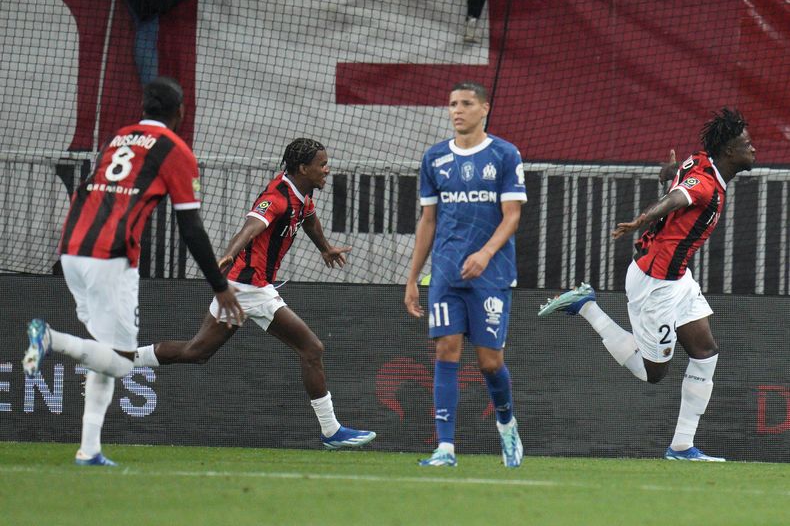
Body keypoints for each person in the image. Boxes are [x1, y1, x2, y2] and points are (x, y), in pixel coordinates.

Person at [22, 77, 244, 466]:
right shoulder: (175, 150)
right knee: (122, 361)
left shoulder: (120, 137)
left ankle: (89, 449)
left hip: (73, 246)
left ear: (144, 108)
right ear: (180, 112)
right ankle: (50, 338)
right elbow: (190, 227)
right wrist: (219, 285)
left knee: (102, 354)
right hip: (112, 256)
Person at [538, 108, 756, 462]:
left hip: (677, 277)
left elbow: (676, 179)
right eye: (747, 144)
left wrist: (667, 174)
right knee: (652, 373)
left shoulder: (700, 162)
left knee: (705, 353)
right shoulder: (705, 184)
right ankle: (586, 305)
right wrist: (645, 216)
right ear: (729, 152)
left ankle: (682, 447)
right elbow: (678, 197)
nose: (754, 149)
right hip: (655, 283)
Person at [132, 138, 377, 450]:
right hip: (247, 287)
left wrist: (325, 248)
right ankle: (331, 431)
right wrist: (229, 255)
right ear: (303, 168)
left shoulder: (301, 195)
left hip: (251, 288)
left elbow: (309, 218)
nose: (327, 169)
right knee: (312, 348)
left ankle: (121, 359)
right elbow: (249, 227)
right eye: (322, 164)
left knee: (197, 352)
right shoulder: (277, 196)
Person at [405, 82, 527, 467]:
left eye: (466, 104)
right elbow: (428, 221)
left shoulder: (505, 154)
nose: (457, 110)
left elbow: (512, 216)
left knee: (490, 362)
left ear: (484, 108)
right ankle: (445, 448)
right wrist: (412, 277)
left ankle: (507, 425)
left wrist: (485, 253)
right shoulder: (435, 158)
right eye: (453, 104)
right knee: (446, 350)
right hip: (445, 273)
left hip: (491, 274)